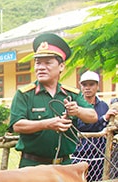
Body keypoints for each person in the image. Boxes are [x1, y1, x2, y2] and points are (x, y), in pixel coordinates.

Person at [8, 33, 97, 168]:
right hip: (33, 166)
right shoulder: (24, 94)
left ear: (61, 66)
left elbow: (93, 116)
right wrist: (47, 124)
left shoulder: (72, 94)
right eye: (38, 63)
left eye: (48, 63)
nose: (41, 67)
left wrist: (77, 110)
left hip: (65, 165)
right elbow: (17, 125)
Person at [72, 70, 117, 181]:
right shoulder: (76, 106)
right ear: (80, 86)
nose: (88, 88)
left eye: (91, 84)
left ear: (97, 86)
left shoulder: (103, 106)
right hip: (80, 154)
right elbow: (82, 126)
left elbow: (106, 127)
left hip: (99, 155)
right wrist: (103, 118)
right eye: (84, 85)